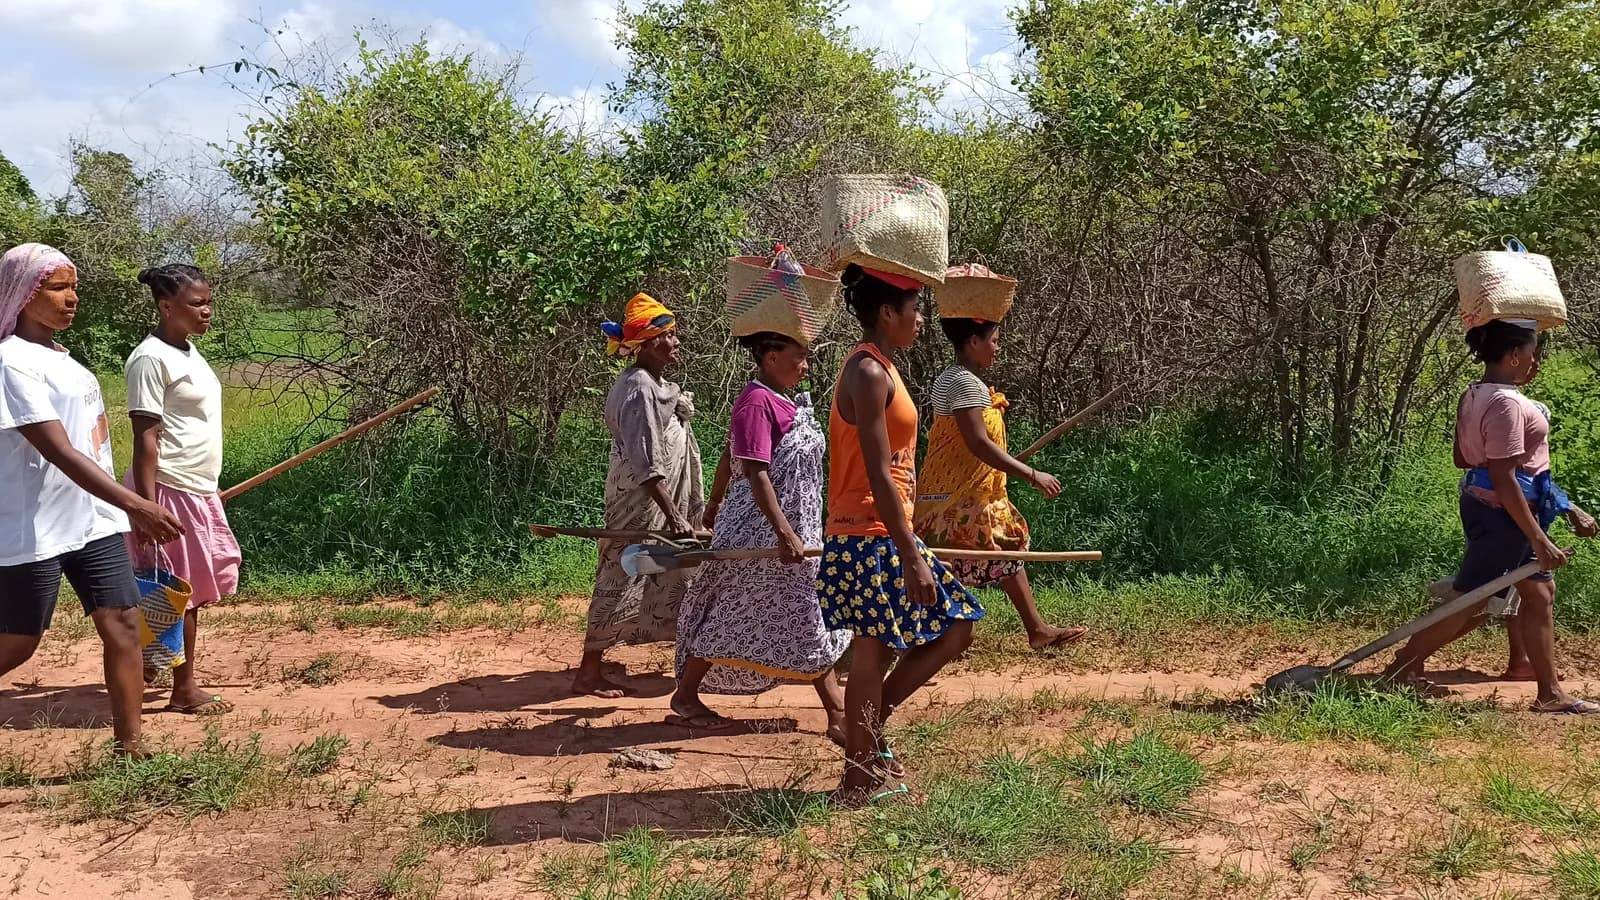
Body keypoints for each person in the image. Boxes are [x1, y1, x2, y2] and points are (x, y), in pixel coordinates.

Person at [0, 243, 184, 757]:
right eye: (57, 288)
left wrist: (118, 508)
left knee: (124, 624)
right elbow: (58, 451)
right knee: (19, 641)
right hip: (33, 525)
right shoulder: (12, 363)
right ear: (22, 293)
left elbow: (93, 445)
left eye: (72, 286)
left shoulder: (64, 358)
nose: (71, 297)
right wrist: (137, 504)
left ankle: (131, 748)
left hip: (92, 520)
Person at [819, 264, 985, 805]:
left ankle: (865, 740)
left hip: (882, 531)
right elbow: (877, 472)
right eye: (914, 310)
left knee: (940, 629)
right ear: (887, 313)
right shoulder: (867, 373)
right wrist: (910, 552)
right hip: (869, 532)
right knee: (877, 648)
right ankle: (859, 770)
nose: (919, 321)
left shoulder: (882, 368)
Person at [1383, 319, 1597, 712]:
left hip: (1496, 508)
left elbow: (1464, 458)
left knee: (1540, 593)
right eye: (1532, 354)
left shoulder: (1476, 394)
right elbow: (1504, 477)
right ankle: (1401, 668)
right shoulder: (1509, 403)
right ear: (1515, 356)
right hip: (1504, 516)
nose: (1535, 363)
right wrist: (1537, 537)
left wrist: (1566, 507)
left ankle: (1550, 693)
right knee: (1471, 601)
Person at [672, 331, 849, 736]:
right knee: (802, 611)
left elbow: (728, 453)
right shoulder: (755, 401)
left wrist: (714, 501)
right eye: (798, 357)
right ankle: (837, 713)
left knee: (741, 614)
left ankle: (686, 693)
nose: (805, 366)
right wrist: (784, 533)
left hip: (794, 529)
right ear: (770, 357)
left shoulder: (785, 401)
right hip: (761, 533)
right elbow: (754, 470)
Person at [916, 314, 1087, 650]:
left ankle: (1035, 630)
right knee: (945, 560)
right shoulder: (964, 384)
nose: (998, 348)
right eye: (994, 340)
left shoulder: (955, 379)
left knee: (1003, 549)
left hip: (966, 494)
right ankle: (931, 636)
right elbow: (978, 444)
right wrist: (1032, 475)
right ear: (974, 341)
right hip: (959, 500)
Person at [124, 264, 241, 716]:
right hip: (167, 486)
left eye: (208, 301)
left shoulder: (189, 352)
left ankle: (149, 661)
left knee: (179, 587)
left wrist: (206, 489)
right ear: (165, 305)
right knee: (178, 590)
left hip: (196, 486)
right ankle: (184, 689)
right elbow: (146, 436)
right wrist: (148, 506)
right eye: (196, 303)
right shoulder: (150, 359)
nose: (206, 310)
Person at [576, 293, 704, 698]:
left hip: (657, 499)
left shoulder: (658, 385)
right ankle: (589, 670)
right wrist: (675, 517)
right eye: (669, 336)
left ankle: (687, 657)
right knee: (623, 567)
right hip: (640, 499)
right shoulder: (638, 390)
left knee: (672, 571)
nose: (677, 342)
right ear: (649, 345)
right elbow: (646, 460)